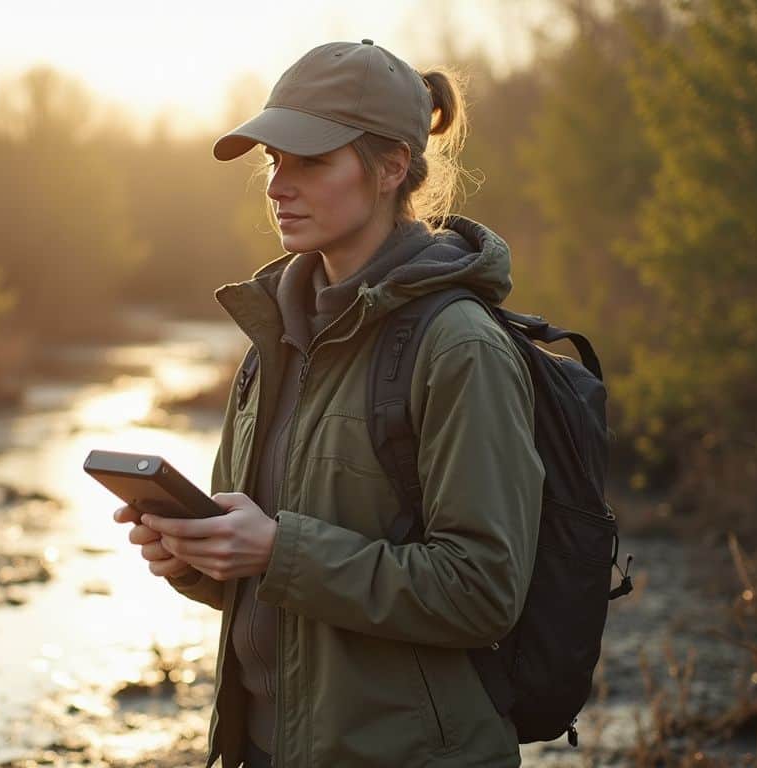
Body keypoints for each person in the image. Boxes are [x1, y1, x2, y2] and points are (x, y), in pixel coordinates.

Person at [112, 39, 543, 768]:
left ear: (391, 167)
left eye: (310, 161)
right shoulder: (273, 338)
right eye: (273, 160)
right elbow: (266, 584)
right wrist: (195, 555)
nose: (278, 185)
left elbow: (481, 592)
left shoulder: (458, 346)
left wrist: (277, 548)